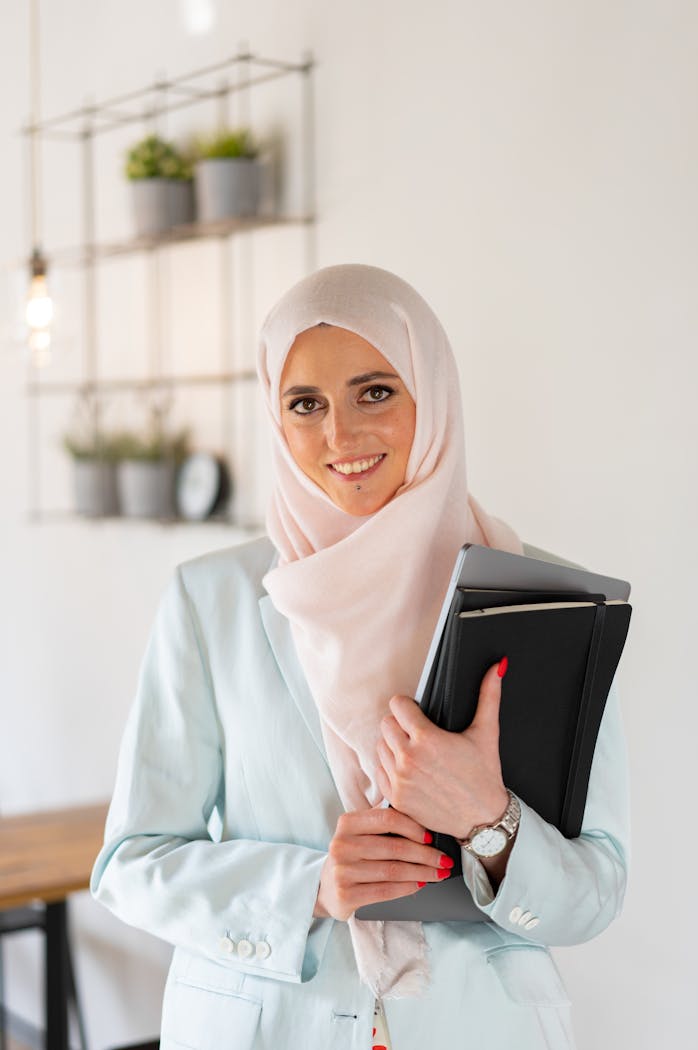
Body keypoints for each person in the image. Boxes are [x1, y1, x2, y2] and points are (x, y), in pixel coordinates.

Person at [91, 264, 629, 1050]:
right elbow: (129, 864)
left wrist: (490, 822)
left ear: (431, 394)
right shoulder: (211, 601)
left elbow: (597, 891)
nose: (340, 437)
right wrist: (310, 888)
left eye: (375, 391)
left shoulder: (545, 600)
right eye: (305, 404)